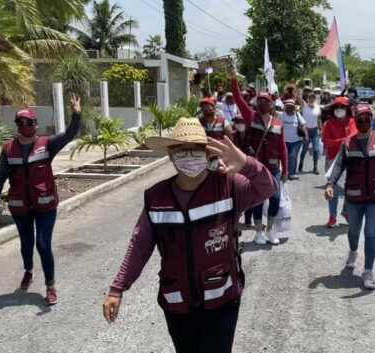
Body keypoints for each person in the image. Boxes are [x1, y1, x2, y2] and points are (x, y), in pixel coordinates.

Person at [103, 118, 277, 353]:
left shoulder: (228, 185)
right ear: (171, 155)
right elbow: (140, 245)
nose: (188, 157)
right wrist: (118, 288)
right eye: (181, 151)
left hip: (221, 298)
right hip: (177, 302)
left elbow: (267, 187)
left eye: (196, 151)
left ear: (207, 154)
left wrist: (246, 163)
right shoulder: (156, 197)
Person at [0, 93, 82, 305]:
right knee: (26, 245)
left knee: (43, 245)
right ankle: (28, 271)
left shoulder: (47, 144)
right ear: (17, 125)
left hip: (45, 204)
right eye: (21, 122)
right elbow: (0, 175)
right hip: (20, 206)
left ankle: (50, 285)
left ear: (35, 124)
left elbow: (69, 134)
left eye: (29, 122)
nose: (25, 125)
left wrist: (76, 114)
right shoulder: (8, 149)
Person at [325, 105, 375, 289]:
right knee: (353, 231)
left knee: (371, 233)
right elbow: (338, 165)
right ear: (355, 121)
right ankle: (353, 251)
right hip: (354, 196)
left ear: (372, 120)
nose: (364, 122)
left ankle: (368, 271)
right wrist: (330, 184)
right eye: (360, 119)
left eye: (367, 119)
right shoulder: (347, 143)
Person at [230, 65, 287, 245]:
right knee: (257, 200)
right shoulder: (251, 116)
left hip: (272, 167)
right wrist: (233, 78)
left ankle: (271, 231)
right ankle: (258, 232)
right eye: (260, 101)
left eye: (266, 102)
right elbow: (238, 99)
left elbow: (283, 147)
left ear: (271, 104)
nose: (262, 104)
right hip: (255, 168)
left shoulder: (278, 122)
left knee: (275, 199)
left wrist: (285, 169)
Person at [321, 96, 357, 228]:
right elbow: (326, 142)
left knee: (349, 188)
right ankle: (332, 217)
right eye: (337, 108)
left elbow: (353, 138)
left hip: (348, 160)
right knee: (333, 190)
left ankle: (346, 211)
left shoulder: (352, 122)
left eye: (342, 107)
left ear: (346, 109)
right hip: (332, 160)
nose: (339, 110)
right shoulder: (328, 124)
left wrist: (341, 142)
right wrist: (341, 142)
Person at [279, 99, 308, 180]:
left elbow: (303, 124)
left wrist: (305, 134)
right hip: (284, 140)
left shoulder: (297, 115)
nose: (289, 108)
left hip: (297, 141)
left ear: (293, 107)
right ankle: (285, 172)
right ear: (286, 107)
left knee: (293, 156)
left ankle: (292, 173)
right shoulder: (281, 115)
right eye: (288, 106)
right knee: (285, 156)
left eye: (291, 106)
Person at [299, 93, 323, 174]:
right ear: (307, 99)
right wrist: (296, 86)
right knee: (304, 150)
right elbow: (297, 96)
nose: (311, 99)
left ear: (315, 99)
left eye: (313, 97)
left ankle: (315, 167)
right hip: (306, 131)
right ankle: (301, 162)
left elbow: (318, 119)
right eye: (310, 97)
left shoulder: (317, 107)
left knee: (316, 149)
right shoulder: (304, 106)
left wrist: (321, 129)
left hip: (315, 131)